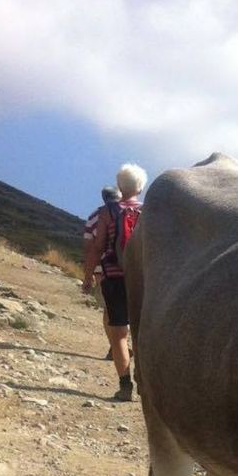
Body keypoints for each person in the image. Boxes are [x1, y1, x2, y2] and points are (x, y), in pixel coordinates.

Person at [82, 162, 147, 402]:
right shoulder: (148, 211)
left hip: (113, 275)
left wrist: (88, 276)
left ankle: (125, 386)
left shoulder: (107, 212)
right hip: (141, 277)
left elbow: (96, 247)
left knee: (119, 333)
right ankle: (144, 382)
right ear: (140, 188)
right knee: (140, 332)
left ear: (120, 186)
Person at [83, 186, 120, 360]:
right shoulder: (133, 211)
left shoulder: (93, 217)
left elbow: (90, 249)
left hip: (102, 270)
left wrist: (87, 276)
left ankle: (115, 348)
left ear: (103, 198)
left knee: (109, 310)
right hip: (128, 268)